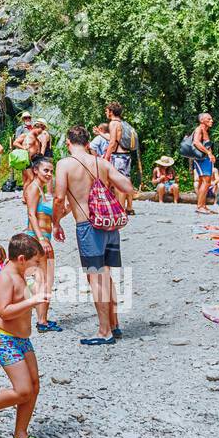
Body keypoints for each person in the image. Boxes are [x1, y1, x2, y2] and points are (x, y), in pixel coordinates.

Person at [54, 125, 134, 346]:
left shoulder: (65, 164)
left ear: (68, 142)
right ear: (88, 142)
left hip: (88, 226)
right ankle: (114, 324)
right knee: (106, 275)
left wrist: (56, 223)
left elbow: (59, 198)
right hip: (109, 226)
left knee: (95, 277)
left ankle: (104, 331)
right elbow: (127, 186)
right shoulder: (101, 162)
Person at [0, 233, 49, 438]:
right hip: (4, 339)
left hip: (22, 339)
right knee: (23, 390)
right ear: (23, 258)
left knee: (34, 387)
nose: (37, 265)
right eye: (35, 261)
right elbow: (4, 312)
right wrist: (33, 300)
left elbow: (25, 299)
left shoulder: (21, 273)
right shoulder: (5, 277)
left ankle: (21, 435)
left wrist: (38, 292)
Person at [22, 155, 62, 332]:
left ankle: (41, 319)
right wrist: (42, 239)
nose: (49, 174)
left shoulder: (42, 189)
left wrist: (57, 225)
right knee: (46, 280)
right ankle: (42, 321)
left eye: (51, 171)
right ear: (36, 170)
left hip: (42, 236)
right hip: (38, 238)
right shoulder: (33, 188)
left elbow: (47, 216)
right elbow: (31, 215)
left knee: (42, 280)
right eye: (46, 170)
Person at [105, 102, 138, 213]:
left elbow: (112, 142)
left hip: (118, 157)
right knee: (125, 181)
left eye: (107, 110)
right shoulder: (123, 123)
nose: (106, 112)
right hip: (126, 156)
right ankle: (127, 208)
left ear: (111, 112)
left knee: (119, 184)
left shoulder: (113, 123)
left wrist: (106, 158)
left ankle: (120, 210)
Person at [190, 113, 216, 214]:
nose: (211, 120)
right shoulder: (199, 129)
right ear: (202, 120)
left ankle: (203, 206)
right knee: (206, 182)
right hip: (201, 159)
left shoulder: (205, 130)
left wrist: (211, 155)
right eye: (208, 119)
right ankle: (200, 206)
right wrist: (208, 153)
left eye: (211, 118)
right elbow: (196, 142)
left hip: (206, 159)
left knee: (204, 182)